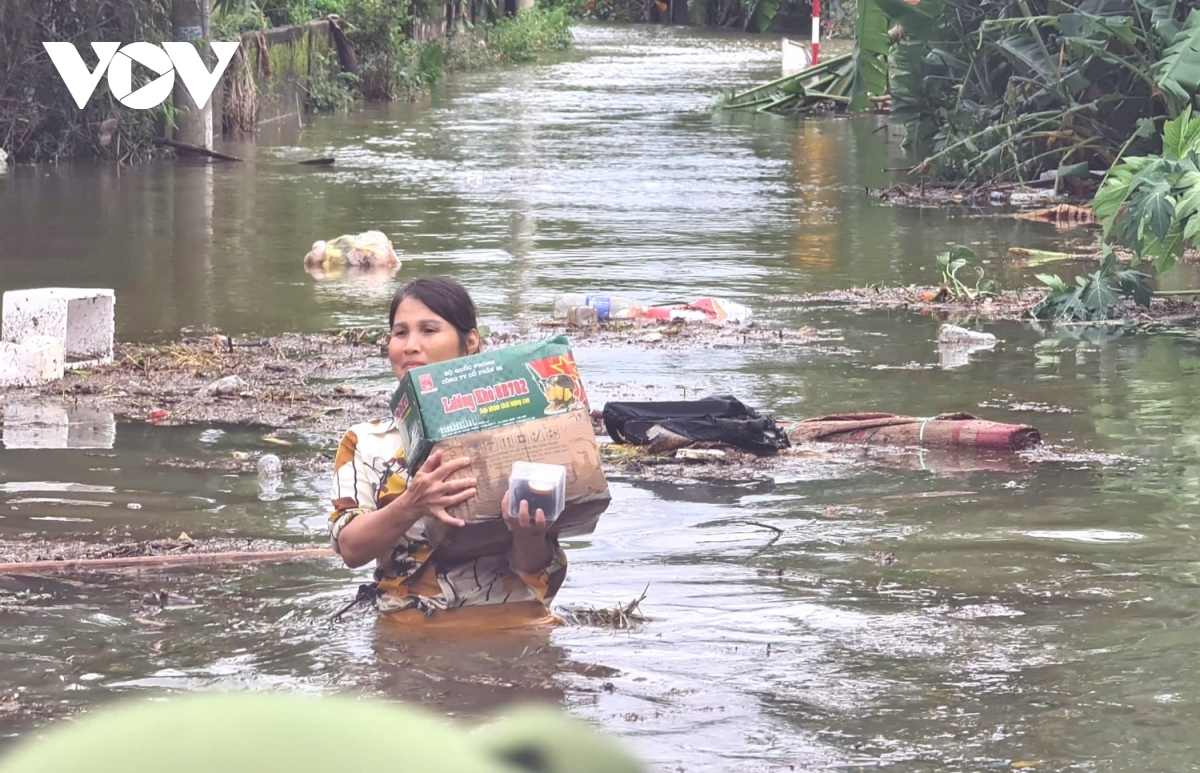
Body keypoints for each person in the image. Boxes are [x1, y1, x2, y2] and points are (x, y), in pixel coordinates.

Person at [327, 277, 567, 628]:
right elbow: (350, 549)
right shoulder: (365, 441)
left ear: (470, 342)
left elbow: (535, 567)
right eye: (400, 333)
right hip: (408, 628)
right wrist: (411, 504)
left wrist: (527, 532)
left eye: (428, 330)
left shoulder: (517, 429)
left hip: (513, 622)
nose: (411, 346)